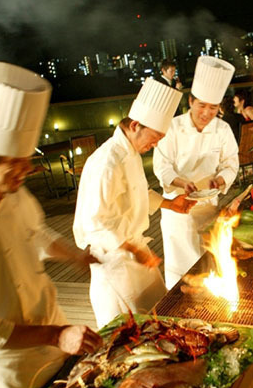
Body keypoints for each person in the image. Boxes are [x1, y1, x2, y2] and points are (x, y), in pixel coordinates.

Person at [0, 61, 102, 388]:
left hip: (57, 337)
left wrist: (75, 255)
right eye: (14, 164)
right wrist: (54, 335)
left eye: (26, 162)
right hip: (11, 367)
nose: (25, 172)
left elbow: (37, 234)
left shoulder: (14, 193)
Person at [73, 78, 194, 328]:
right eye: (155, 137)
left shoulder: (130, 151)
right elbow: (95, 223)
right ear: (136, 125)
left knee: (160, 316)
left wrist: (170, 204)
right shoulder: (108, 161)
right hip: (113, 260)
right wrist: (134, 250)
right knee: (129, 332)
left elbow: (136, 192)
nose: (156, 144)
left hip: (135, 253)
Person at [153, 56, 239, 289]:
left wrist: (222, 178)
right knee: (180, 272)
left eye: (213, 108)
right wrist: (181, 183)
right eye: (202, 105)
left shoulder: (222, 129)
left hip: (209, 207)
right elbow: (162, 165)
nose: (206, 113)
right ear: (190, 101)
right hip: (177, 209)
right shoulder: (172, 127)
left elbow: (231, 162)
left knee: (210, 265)